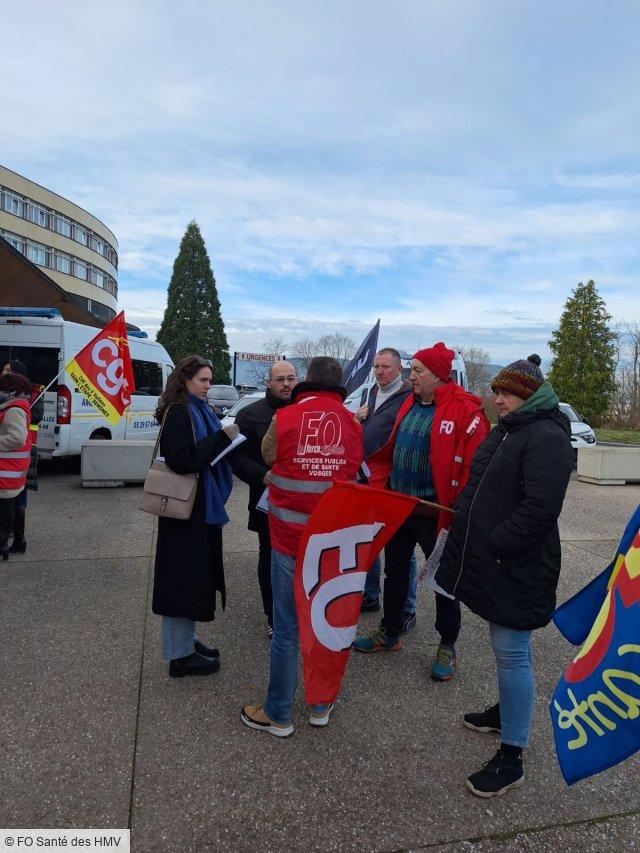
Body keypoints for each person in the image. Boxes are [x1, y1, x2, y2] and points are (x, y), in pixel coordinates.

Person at [435, 354, 573, 797]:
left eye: (507, 393)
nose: (498, 400)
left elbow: (539, 511)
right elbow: (480, 490)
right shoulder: (510, 430)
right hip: (498, 562)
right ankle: (505, 715)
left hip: (518, 565)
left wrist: (492, 543)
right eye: (497, 392)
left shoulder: (547, 437)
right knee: (504, 646)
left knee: (513, 652)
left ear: (530, 395)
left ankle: (512, 754)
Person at [241, 357, 363, 736]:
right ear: (340, 384)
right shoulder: (351, 422)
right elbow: (355, 467)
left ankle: (278, 713)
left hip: (288, 539)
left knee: (287, 627)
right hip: (331, 541)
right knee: (324, 624)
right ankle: (320, 706)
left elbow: (268, 456)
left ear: (306, 381)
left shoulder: (286, 417)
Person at [353, 342, 489, 681]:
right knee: (395, 572)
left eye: (418, 371)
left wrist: (461, 512)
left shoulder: (464, 411)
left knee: (443, 581)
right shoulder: (410, 404)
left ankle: (446, 643)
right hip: (400, 506)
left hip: (435, 514)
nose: (410, 377)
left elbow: (474, 469)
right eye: (412, 370)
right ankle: (390, 632)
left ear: (439, 375)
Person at [151, 355, 238, 678]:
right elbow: (183, 460)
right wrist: (221, 440)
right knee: (180, 582)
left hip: (197, 507)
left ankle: (186, 640)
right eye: (203, 380)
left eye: (210, 380)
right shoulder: (179, 411)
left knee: (192, 579)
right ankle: (179, 655)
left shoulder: (197, 410)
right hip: (183, 511)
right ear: (185, 380)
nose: (208, 386)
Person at [230, 361, 298, 638]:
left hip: (303, 504)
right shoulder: (249, 415)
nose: (286, 384)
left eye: (291, 379)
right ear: (269, 383)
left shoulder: (305, 413)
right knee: (270, 557)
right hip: (266, 502)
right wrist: (263, 476)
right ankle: (274, 617)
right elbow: (236, 457)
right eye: (280, 379)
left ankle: (298, 613)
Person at [355, 348, 417, 631]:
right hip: (368, 478)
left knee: (401, 547)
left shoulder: (408, 396)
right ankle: (370, 595)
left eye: (385, 367)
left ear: (399, 369)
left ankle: (407, 607)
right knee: (368, 537)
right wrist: (359, 418)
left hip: (394, 481)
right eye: (377, 366)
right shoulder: (370, 392)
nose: (379, 371)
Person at [2, 359, 44, 553]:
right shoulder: (8, 396)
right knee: (11, 497)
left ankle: (18, 539)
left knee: (19, 497)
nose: (4, 373)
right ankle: (12, 536)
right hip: (13, 453)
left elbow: (36, 416)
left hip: (26, 450)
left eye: (8, 371)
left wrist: (24, 407)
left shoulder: (35, 393)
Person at [0, 372, 32, 560]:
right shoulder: (12, 406)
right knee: (14, 506)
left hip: (7, 469)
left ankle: (3, 544)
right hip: (12, 469)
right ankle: (17, 541)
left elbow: (17, 438)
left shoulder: (13, 409)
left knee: (5, 509)